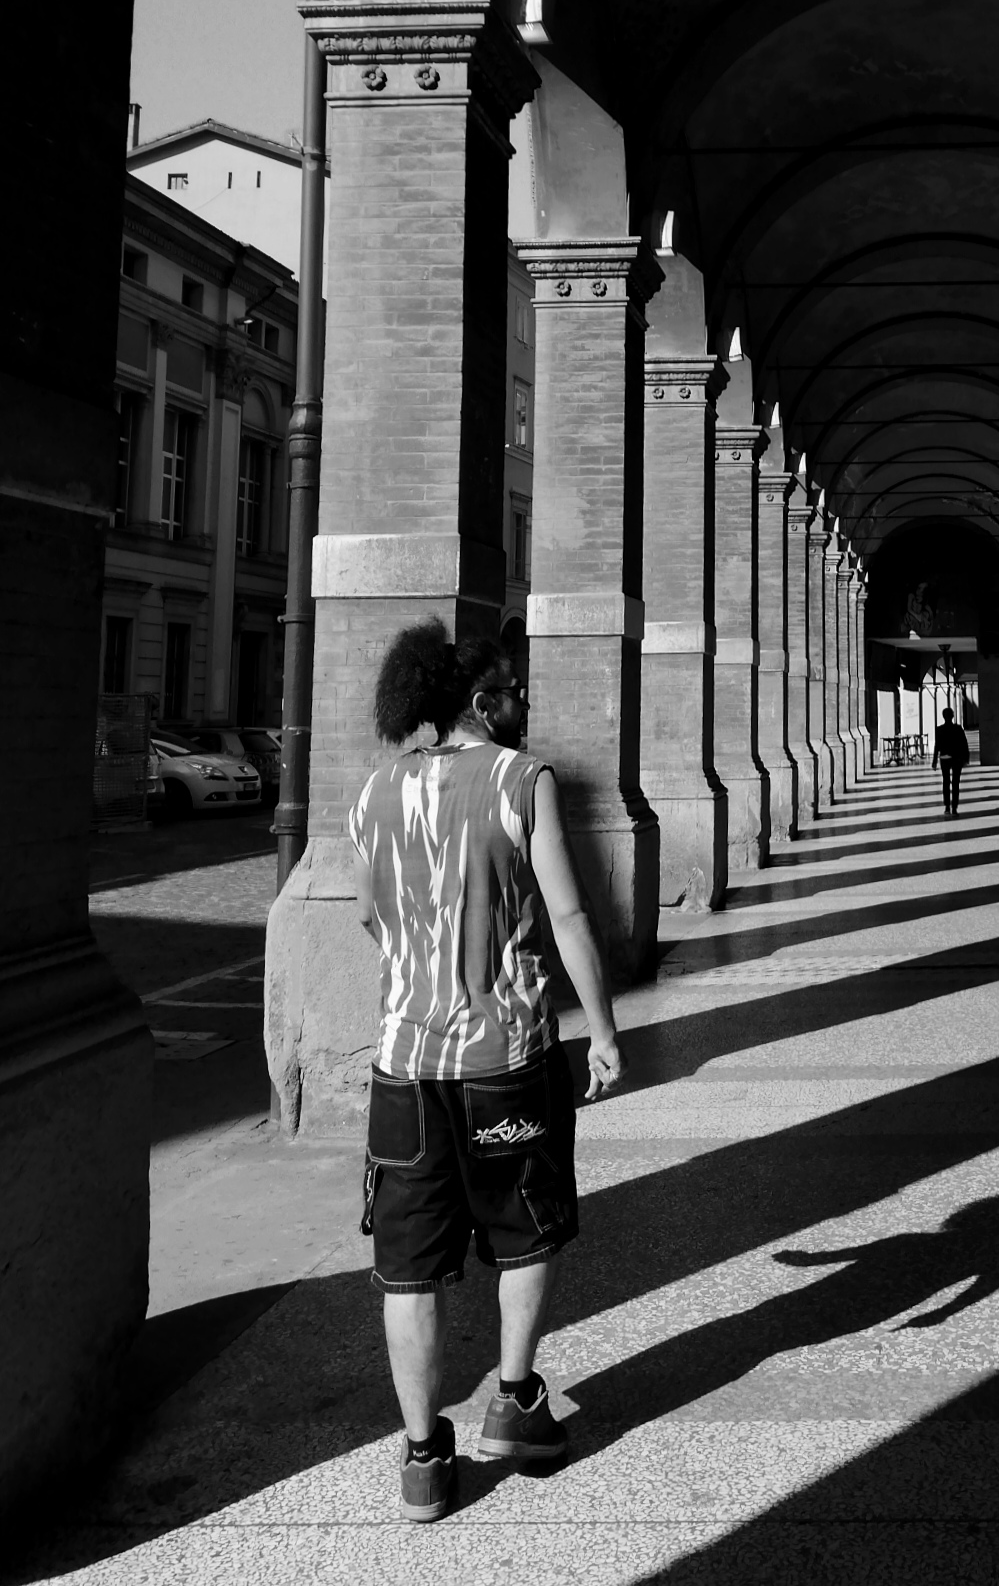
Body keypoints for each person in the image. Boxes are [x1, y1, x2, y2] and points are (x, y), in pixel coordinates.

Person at [350, 620, 627, 1522]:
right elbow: (569, 915)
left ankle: (423, 1459)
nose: (524, 701)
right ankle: (512, 1401)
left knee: (410, 1266)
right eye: (512, 689)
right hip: (505, 1056)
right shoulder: (522, 778)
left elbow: (370, 917)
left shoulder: (374, 791)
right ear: (480, 702)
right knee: (524, 1230)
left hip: (403, 1065)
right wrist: (605, 1031)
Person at [932, 702, 969, 816]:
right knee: (955, 783)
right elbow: (964, 744)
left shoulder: (939, 730)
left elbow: (937, 746)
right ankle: (954, 807)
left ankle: (947, 806)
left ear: (943, 716)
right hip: (957, 758)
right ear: (952, 716)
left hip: (945, 758)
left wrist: (934, 761)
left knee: (946, 782)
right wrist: (966, 758)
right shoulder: (958, 729)